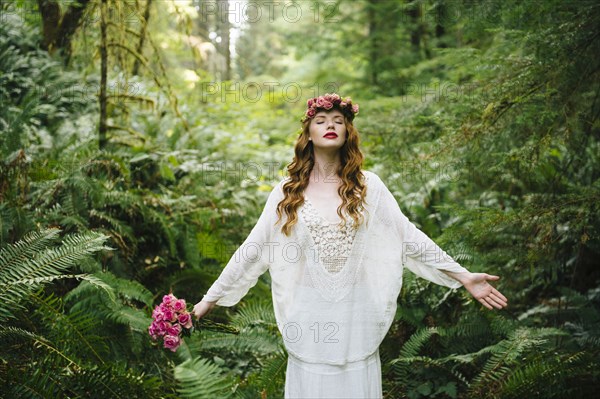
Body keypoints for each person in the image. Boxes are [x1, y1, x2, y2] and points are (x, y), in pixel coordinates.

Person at [193, 93, 508, 398]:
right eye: (321, 120)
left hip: (356, 323)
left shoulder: (369, 188)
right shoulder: (286, 193)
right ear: (309, 133)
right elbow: (253, 248)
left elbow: (407, 236)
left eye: (338, 120)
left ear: (347, 132)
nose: (330, 125)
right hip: (308, 323)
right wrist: (210, 300)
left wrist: (462, 275)